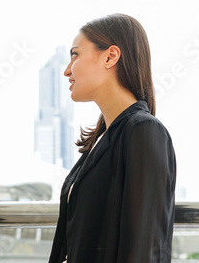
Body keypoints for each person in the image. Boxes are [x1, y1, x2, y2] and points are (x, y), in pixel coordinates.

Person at [48, 13, 176, 263]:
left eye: (75, 55)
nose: (66, 70)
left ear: (110, 56)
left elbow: (144, 249)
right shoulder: (103, 138)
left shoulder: (144, 132)